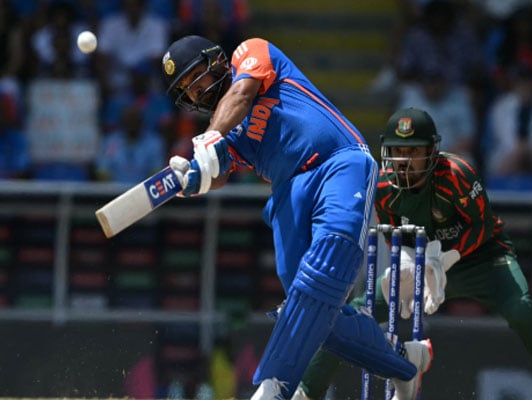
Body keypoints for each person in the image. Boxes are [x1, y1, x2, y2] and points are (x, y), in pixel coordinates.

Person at [159, 35, 432, 400]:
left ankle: (274, 385)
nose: (195, 93)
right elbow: (221, 169)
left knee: (326, 266)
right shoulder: (226, 130)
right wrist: (193, 179)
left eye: (197, 79)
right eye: (186, 91)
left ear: (216, 62)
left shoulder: (250, 53)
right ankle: (406, 365)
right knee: (315, 308)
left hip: (337, 162)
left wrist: (209, 137)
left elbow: (240, 96)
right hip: (289, 192)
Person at [296, 108, 532, 400]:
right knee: (357, 314)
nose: (403, 161)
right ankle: (307, 391)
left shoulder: (457, 174)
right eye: (397, 151)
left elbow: (482, 225)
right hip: (421, 264)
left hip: (481, 260)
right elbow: (393, 234)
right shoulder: (383, 186)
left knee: (521, 311)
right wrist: (406, 264)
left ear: (432, 151)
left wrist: (447, 259)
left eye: (413, 151)